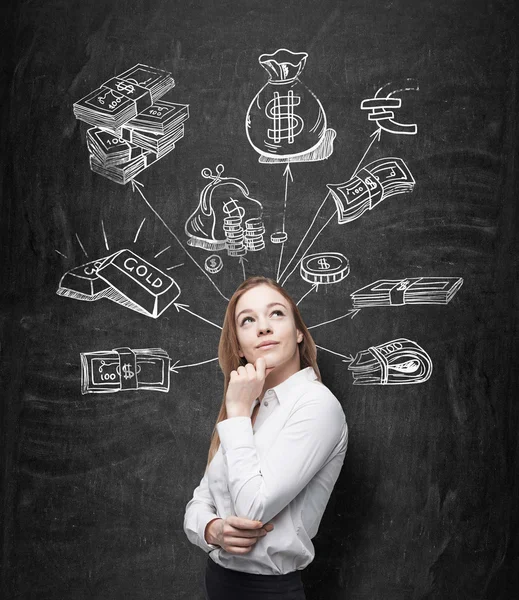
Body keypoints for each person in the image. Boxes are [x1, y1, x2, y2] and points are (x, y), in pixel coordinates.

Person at [184, 276, 348, 600]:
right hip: (218, 583)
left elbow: (251, 509)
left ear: (299, 332)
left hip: (268, 592)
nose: (263, 327)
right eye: (248, 320)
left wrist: (237, 412)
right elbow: (198, 503)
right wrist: (212, 530)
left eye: (276, 314)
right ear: (239, 347)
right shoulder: (250, 407)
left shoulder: (317, 405)